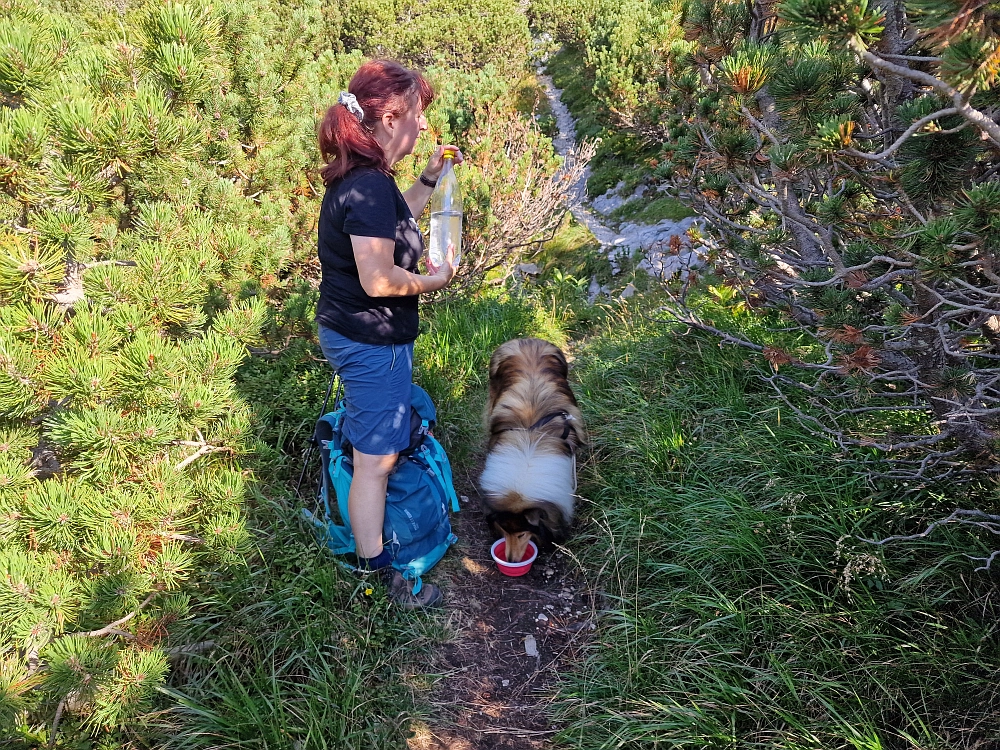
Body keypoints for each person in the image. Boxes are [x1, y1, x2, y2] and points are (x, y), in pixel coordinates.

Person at [315, 60, 460, 609]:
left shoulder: (368, 182)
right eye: (418, 115)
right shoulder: (371, 188)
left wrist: (428, 177)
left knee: (374, 449)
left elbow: (397, 228)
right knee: (376, 464)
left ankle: (371, 554)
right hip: (372, 344)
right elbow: (379, 278)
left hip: (355, 335)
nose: (423, 125)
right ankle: (378, 577)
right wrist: (435, 280)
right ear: (391, 116)